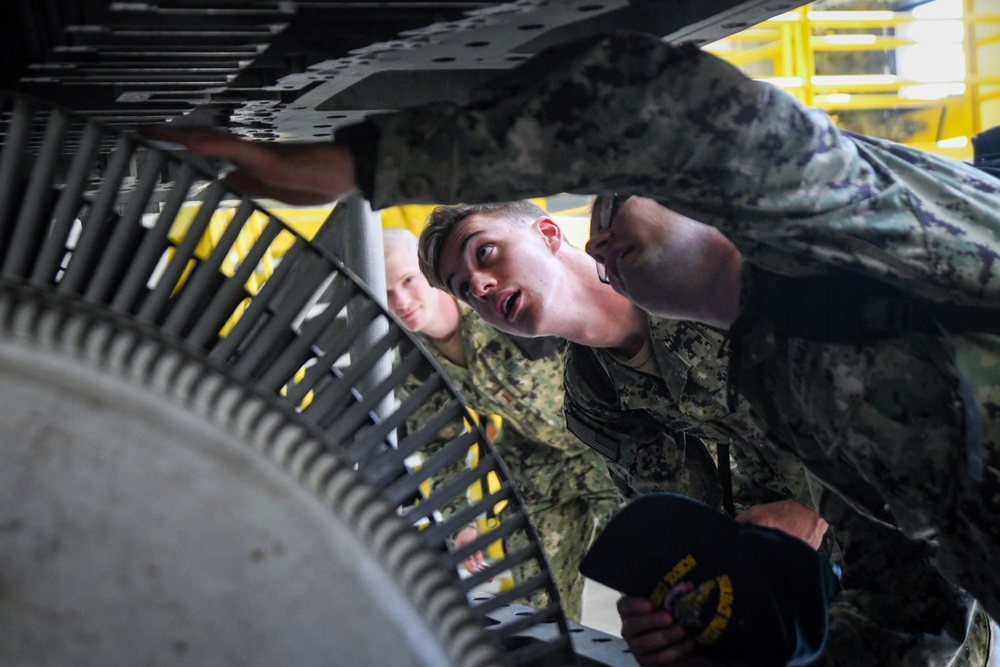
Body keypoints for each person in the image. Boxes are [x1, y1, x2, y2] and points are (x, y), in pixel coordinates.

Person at [138, 27, 999, 660]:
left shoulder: (851, 228)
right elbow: (903, 591)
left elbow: (686, 114)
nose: (604, 247)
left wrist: (366, 164)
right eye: (453, 285)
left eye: (615, 214)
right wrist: (696, 615)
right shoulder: (779, 388)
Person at [418, 199, 992, 667]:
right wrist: (670, 612)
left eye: (485, 254)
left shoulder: (709, 294)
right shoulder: (593, 399)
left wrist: (806, 508)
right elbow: (685, 535)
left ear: (547, 232)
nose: (481, 286)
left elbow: (885, 428)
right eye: (463, 288)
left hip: (915, 582)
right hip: (797, 622)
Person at [382, 226, 620, 622]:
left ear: (427, 276)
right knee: (539, 602)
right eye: (387, 293)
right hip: (536, 462)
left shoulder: (496, 305)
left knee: (653, 573)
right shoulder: (414, 361)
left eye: (407, 281)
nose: (402, 301)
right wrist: (463, 520)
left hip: (607, 446)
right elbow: (441, 444)